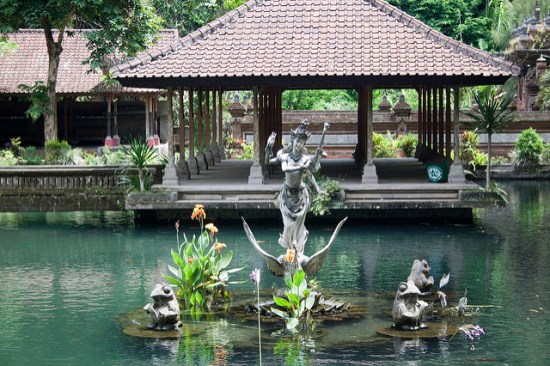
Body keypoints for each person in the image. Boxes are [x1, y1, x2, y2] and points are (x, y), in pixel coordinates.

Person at [265, 120, 328, 253]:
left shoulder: (305, 158)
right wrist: (268, 148)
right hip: (286, 195)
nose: (298, 145)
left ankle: (298, 253)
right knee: (288, 226)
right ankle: (289, 251)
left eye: (302, 143)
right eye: (297, 141)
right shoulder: (284, 156)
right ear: (292, 140)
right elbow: (270, 163)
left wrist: (318, 189)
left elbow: (310, 175)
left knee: (299, 228)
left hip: (301, 195)